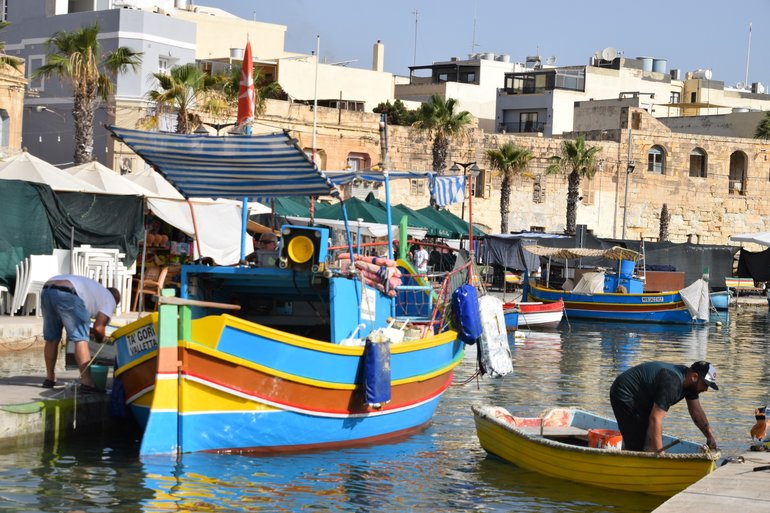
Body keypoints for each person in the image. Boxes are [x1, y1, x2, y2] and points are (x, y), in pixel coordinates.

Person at [609, 360, 718, 452]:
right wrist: (660, 454)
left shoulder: (690, 385)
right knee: (638, 443)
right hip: (625, 393)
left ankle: (647, 453)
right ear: (694, 377)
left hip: (644, 397)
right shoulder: (672, 383)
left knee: (650, 437)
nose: (706, 389)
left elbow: (697, 412)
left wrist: (709, 436)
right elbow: (655, 419)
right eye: (705, 385)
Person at [41, 275, 121, 393]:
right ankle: (87, 383)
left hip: (47, 289)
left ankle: (49, 378)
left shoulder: (98, 292)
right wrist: (101, 339)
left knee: (52, 339)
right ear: (116, 300)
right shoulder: (110, 299)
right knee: (81, 339)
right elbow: (99, 328)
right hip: (69, 293)